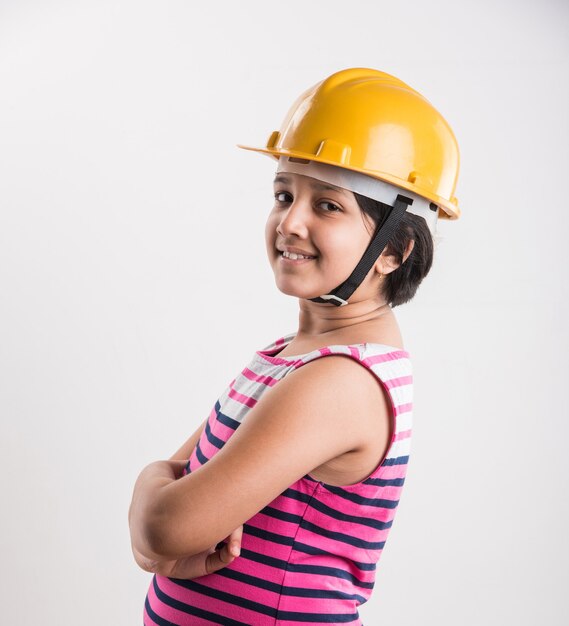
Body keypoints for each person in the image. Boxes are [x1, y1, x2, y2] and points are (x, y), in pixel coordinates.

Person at [129, 67, 461, 625]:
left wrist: (146, 488)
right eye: (284, 194)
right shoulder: (289, 357)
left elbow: (166, 524)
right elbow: (164, 528)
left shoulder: (340, 382)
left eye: (327, 205)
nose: (290, 222)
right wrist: (157, 529)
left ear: (395, 248)